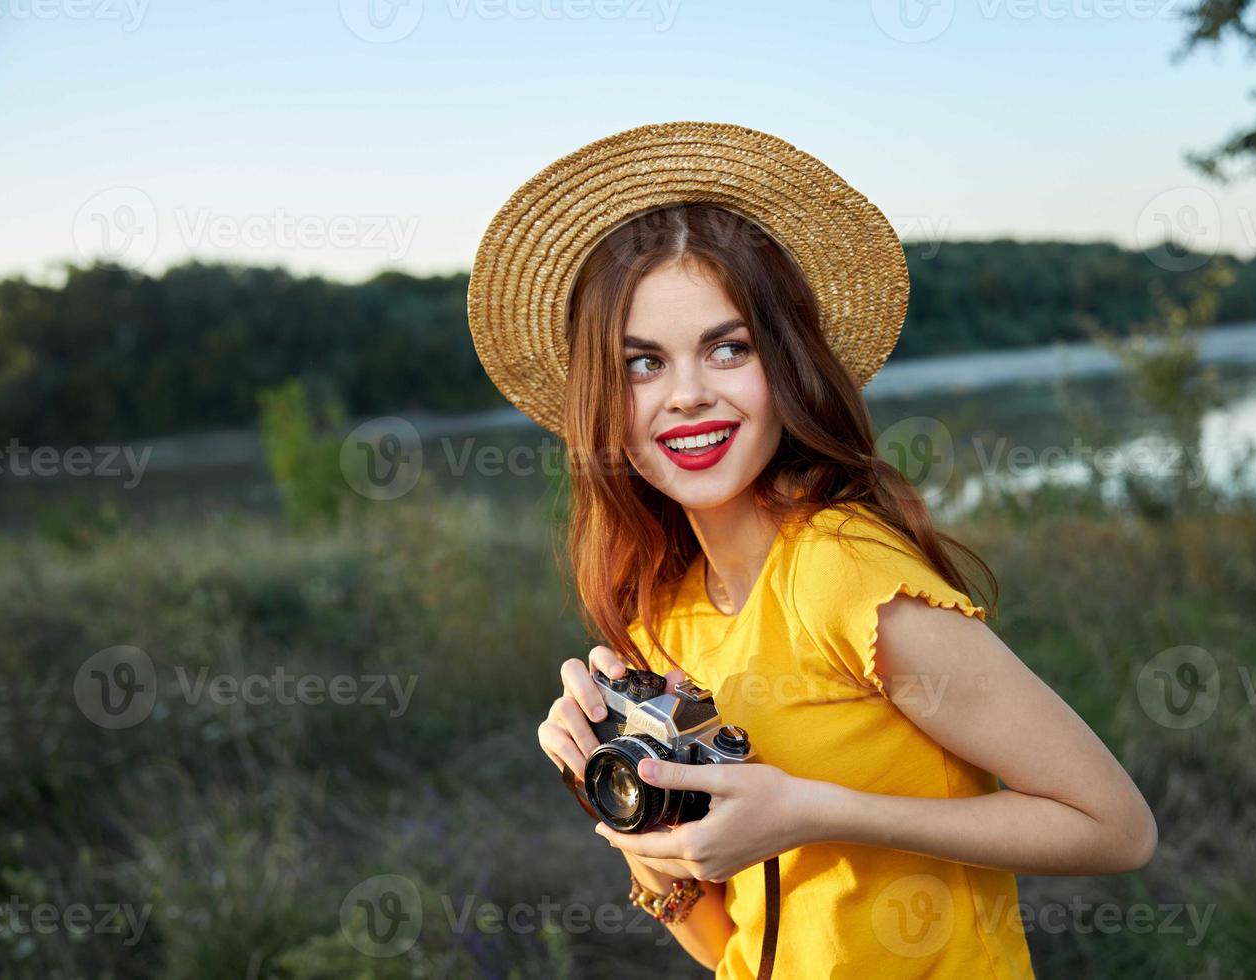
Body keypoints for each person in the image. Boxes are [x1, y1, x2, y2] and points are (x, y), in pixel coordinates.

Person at [467, 121, 1156, 979]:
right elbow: (730, 946)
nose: (686, 396)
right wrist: (620, 804)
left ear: (785, 366)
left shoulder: (842, 570)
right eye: (641, 364)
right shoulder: (662, 609)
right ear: (603, 398)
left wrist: (814, 812)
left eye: (727, 349)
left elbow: (1114, 828)